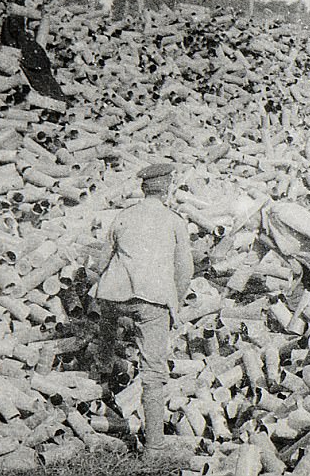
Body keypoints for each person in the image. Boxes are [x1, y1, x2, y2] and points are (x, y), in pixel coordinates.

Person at [92, 163, 194, 456]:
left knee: (107, 343)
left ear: (142, 188)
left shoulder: (123, 217)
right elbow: (185, 269)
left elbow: (101, 264)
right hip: (153, 301)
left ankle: (101, 380)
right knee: (152, 373)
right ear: (168, 188)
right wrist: (174, 298)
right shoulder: (175, 221)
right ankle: (154, 447)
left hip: (114, 297)